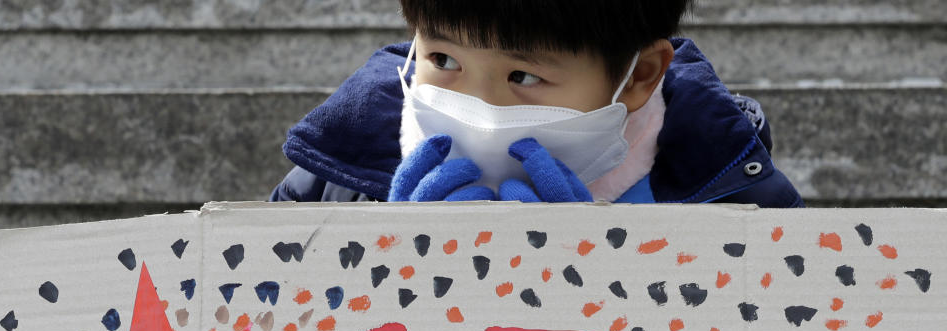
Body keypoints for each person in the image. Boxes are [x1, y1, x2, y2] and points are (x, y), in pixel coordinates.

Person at [271, 1, 803, 207]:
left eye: (523, 75)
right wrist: (390, 254)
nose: (477, 105)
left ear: (639, 75)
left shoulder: (733, 195)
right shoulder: (336, 180)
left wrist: (586, 272)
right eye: (443, 59)